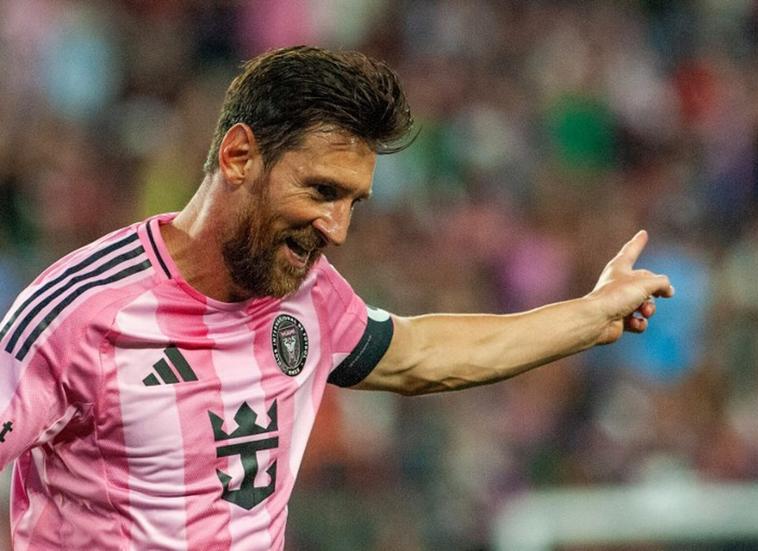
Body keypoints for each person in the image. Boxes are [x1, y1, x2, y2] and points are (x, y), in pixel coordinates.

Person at [0, 46, 673, 549]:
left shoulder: (308, 296)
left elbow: (418, 354)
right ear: (238, 157)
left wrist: (589, 316)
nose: (339, 229)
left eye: (354, 202)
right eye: (322, 190)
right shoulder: (76, 312)